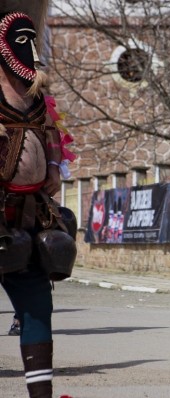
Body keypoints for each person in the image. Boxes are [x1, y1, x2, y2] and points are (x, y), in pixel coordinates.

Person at [0, 8, 63, 398]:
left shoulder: (38, 100)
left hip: (29, 214)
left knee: (38, 305)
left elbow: (54, 136)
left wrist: (54, 165)